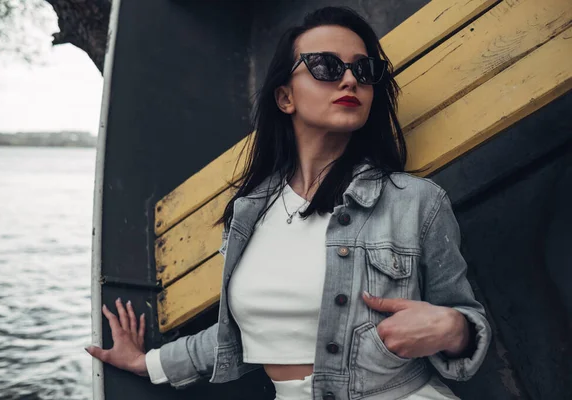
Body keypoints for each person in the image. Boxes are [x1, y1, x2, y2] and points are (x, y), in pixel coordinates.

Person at [86, 6, 492, 400]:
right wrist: (148, 364)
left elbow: (463, 319)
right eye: (326, 67)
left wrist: (455, 329)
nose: (349, 80)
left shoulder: (416, 202)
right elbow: (237, 336)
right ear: (285, 97)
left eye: (364, 70)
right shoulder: (248, 212)